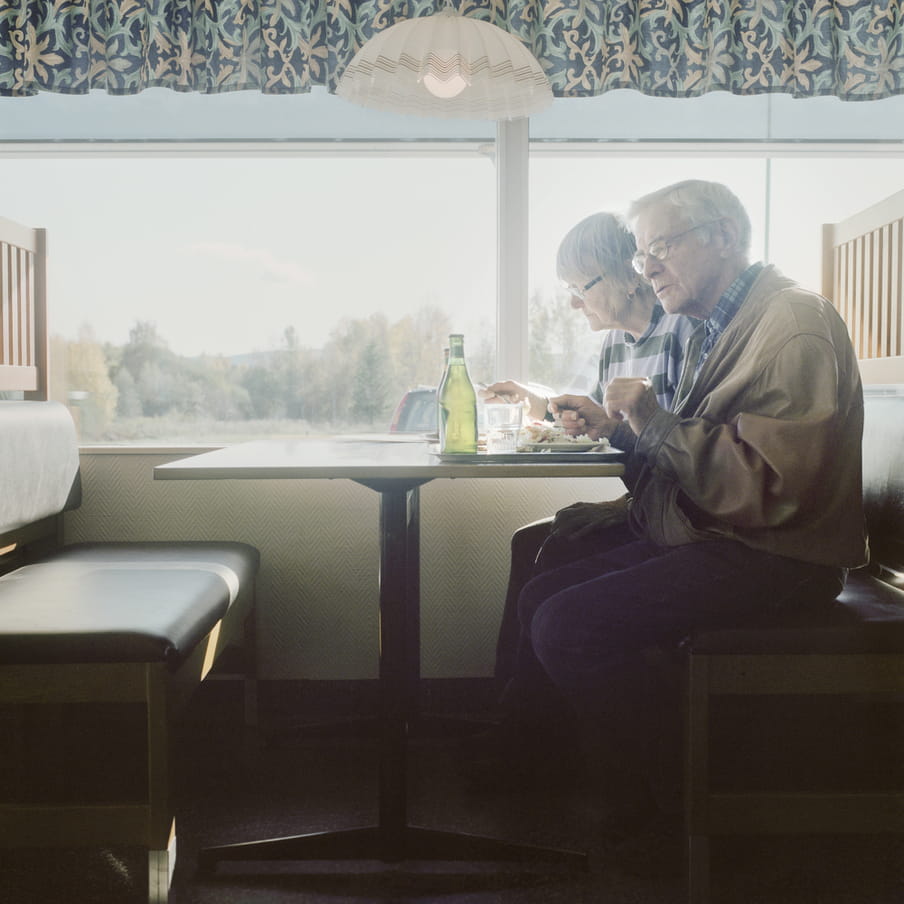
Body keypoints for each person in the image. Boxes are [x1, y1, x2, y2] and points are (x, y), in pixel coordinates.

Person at [514, 179, 867, 870]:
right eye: (642, 253)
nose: (645, 268)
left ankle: (701, 798)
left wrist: (651, 421)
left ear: (724, 238)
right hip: (730, 538)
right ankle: (648, 784)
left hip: (776, 556)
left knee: (566, 624)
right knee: (540, 593)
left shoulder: (791, 323)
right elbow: (704, 452)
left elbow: (772, 490)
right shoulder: (728, 324)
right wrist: (635, 434)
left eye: (661, 248)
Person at [484, 212, 695, 695]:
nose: (575, 303)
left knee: (556, 552)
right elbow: (614, 427)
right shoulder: (616, 346)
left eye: (581, 285)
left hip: (677, 514)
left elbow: (687, 447)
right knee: (529, 542)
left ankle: (528, 733)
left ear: (628, 275)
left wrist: (620, 507)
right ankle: (513, 718)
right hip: (651, 503)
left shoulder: (684, 334)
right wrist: (543, 403)